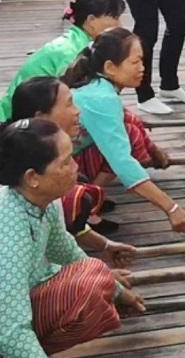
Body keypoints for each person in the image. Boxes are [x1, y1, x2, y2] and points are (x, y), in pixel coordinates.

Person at [0, 118, 144, 358]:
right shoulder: (9, 223)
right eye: (65, 163)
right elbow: (10, 330)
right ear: (32, 177)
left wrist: (119, 292)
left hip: (10, 310)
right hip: (6, 324)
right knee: (83, 292)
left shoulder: (41, 200)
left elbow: (66, 251)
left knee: (94, 276)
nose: (76, 168)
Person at [63, 28, 185, 234]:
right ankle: (83, 203)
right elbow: (122, 162)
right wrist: (172, 208)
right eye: (135, 62)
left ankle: (89, 196)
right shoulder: (102, 98)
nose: (142, 68)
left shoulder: (97, 86)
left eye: (142, 61)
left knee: (131, 130)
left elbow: (127, 118)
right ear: (110, 68)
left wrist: (153, 150)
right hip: (52, 167)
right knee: (128, 139)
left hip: (68, 155)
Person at [10, 78, 138, 274]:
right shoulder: (12, 219)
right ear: (41, 117)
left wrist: (103, 250)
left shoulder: (44, 200)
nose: (77, 111)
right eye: (69, 103)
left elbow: (61, 243)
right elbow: (13, 288)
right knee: (76, 198)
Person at [0, 0, 126, 122]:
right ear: (91, 20)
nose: (120, 25)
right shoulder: (73, 53)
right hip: (15, 122)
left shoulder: (77, 41)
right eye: (115, 17)